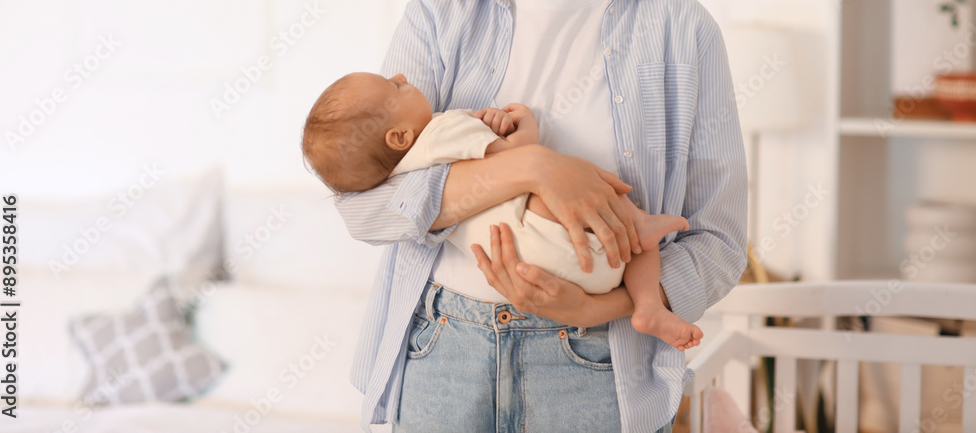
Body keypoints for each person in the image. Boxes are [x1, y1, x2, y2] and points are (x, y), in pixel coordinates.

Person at [329, 0, 747, 433]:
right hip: (441, 345)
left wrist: (598, 305)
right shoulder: (438, 21)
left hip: (594, 363)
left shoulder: (680, 30)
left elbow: (718, 238)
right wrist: (535, 169)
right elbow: (365, 203)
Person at [300, 70, 702, 350]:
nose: (403, 76)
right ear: (399, 135)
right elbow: (520, 154)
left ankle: (644, 284)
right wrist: (525, 123)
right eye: (394, 87)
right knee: (598, 191)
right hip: (571, 238)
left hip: (528, 265)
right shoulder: (442, 128)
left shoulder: (397, 173)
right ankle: (646, 294)